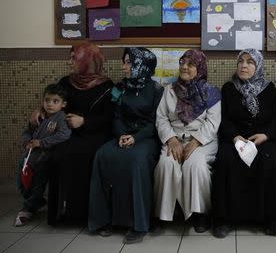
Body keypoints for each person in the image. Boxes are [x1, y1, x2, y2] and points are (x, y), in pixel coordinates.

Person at [88, 47, 163, 244]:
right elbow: (116, 115)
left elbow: (156, 121)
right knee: (102, 156)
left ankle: (139, 224)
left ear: (142, 65)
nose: (124, 67)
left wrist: (135, 138)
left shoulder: (157, 90)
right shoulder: (119, 88)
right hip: (122, 135)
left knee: (135, 160)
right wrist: (122, 134)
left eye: (129, 62)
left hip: (147, 138)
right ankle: (103, 219)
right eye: (125, 62)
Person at [212, 48, 276, 238]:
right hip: (235, 138)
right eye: (241, 61)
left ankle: (271, 219)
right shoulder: (229, 88)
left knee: (270, 161)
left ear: (258, 66)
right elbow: (224, 119)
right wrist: (235, 137)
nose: (244, 65)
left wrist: (266, 136)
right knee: (225, 160)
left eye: (250, 62)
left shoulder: (268, 89)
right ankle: (224, 220)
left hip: (262, 138)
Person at [40, 43, 114, 225]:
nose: (70, 62)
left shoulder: (106, 86)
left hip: (95, 135)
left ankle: (83, 215)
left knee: (82, 155)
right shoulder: (66, 82)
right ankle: (61, 213)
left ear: (86, 60)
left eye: (74, 58)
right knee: (58, 154)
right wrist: (40, 112)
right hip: (68, 134)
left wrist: (84, 122)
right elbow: (54, 103)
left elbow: (110, 118)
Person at [154, 49, 221, 232]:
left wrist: (195, 142)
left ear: (199, 68)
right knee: (166, 164)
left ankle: (200, 214)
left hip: (202, 141)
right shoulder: (169, 90)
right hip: (174, 139)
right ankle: (164, 214)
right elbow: (161, 118)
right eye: (182, 62)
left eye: (190, 64)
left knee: (195, 166)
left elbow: (213, 122)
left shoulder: (211, 92)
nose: (184, 67)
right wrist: (171, 139)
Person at [15, 84, 71, 226]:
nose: (50, 104)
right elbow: (28, 131)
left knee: (37, 183)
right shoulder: (38, 116)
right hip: (29, 155)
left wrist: (42, 143)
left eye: (55, 101)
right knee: (22, 181)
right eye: (47, 100)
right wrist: (27, 140)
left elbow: (64, 135)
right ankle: (36, 201)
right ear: (43, 101)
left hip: (44, 158)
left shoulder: (61, 118)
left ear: (63, 104)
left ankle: (28, 208)